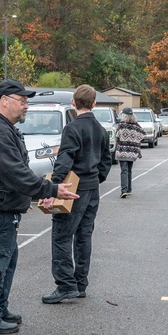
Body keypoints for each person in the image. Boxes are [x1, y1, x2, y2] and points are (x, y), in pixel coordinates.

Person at [0, 79, 78, 334]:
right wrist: (50, 189)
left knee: (4, 262)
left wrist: (24, 198)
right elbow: (14, 173)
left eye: (27, 101)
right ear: (4, 100)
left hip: (2, 209)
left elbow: (16, 172)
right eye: (22, 101)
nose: (26, 106)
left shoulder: (5, 127)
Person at [41, 85, 112, 304]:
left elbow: (64, 159)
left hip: (73, 188)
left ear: (73, 102)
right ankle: (80, 283)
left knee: (62, 235)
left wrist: (53, 187)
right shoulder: (100, 129)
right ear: (94, 104)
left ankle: (65, 285)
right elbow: (106, 161)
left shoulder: (72, 129)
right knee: (84, 236)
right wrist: (96, 179)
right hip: (92, 189)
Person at [113, 108, 143, 198]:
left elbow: (117, 136)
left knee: (124, 171)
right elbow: (142, 135)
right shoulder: (136, 126)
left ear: (124, 116)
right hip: (133, 152)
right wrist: (134, 141)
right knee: (129, 170)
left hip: (123, 151)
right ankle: (129, 188)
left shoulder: (121, 125)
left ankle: (124, 190)